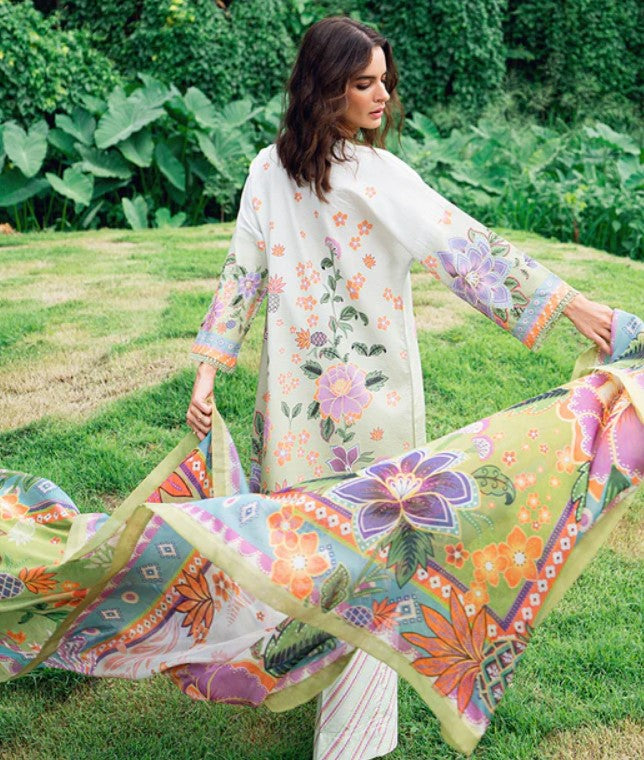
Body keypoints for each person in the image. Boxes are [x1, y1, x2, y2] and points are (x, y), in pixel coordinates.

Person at [185, 16, 613, 760]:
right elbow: (242, 275)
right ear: (325, 89)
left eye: (384, 81)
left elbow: (466, 251)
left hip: (338, 406)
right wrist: (206, 371)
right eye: (364, 83)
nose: (382, 95)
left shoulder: (355, 172)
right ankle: (336, 712)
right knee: (344, 554)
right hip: (320, 404)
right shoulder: (286, 174)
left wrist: (572, 306)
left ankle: (349, 731)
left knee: (348, 553)